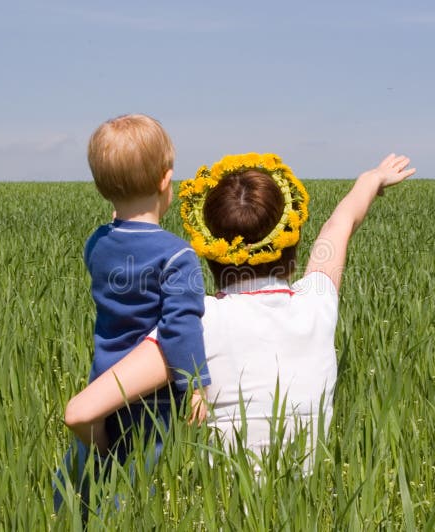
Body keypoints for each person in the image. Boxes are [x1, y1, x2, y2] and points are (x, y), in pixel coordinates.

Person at [64, 151, 415, 462]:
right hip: (309, 505)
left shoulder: (194, 327)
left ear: (210, 249)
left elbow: (80, 412)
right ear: (290, 244)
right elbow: (338, 228)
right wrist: (371, 180)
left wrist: (107, 460)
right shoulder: (318, 304)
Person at [55, 114, 210, 510]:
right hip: (152, 395)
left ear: (100, 186)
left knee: (101, 458)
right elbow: (180, 328)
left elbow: (118, 245)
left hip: (104, 376)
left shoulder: (96, 244)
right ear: (166, 179)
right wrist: (195, 383)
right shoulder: (178, 255)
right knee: (143, 471)